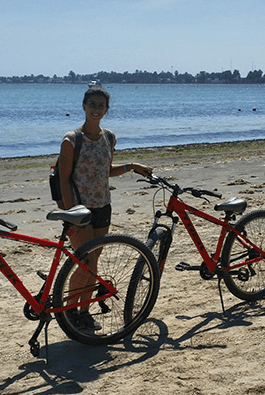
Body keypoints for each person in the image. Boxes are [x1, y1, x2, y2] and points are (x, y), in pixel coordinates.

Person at [57, 86, 152, 330]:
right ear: (84, 107)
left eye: (101, 106)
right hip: (79, 211)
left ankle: (84, 312)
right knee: (85, 262)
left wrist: (130, 166)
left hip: (103, 206)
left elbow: (106, 172)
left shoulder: (109, 137)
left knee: (94, 261)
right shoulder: (71, 140)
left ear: (107, 110)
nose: (96, 109)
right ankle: (69, 311)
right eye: (92, 105)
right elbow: (63, 180)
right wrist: (70, 214)